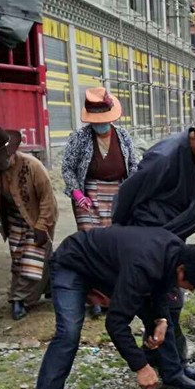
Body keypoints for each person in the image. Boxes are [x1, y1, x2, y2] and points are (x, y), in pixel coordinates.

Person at [30, 226, 195, 389]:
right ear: (181, 270)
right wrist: (141, 367)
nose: (189, 290)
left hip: (110, 268)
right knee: (68, 333)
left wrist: (161, 319)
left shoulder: (176, 254)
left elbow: (161, 288)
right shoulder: (144, 266)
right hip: (72, 264)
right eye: (190, 285)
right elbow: (116, 323)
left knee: (163, 322)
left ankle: (172, 374)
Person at [113, 108, 195, 389]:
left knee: (170, 305)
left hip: (168, 239)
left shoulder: (191, 158)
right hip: (149, 239)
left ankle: (168, 361)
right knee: (163, 306)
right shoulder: (164, 158)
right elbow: (127, 196)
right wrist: (124, 237)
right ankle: (172, 371)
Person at [61, 87, 139, 318]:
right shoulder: (79, 137)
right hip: (89, 195)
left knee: (114, 246)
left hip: (117, 194)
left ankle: (112, 296)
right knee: (91, 245)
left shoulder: (122, 136)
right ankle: (93, 298)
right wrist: (77, 194)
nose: (101, 125)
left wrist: (130, 193)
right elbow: (68, 168)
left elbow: (133, 166)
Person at [0, 127, 58, 321]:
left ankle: (20, 299)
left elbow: (48, 200)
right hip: (13, 217)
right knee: (19, 258)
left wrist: (41, 226)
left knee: (33, 257)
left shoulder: (32, 166)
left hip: (38, 216)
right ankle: (49, 287)